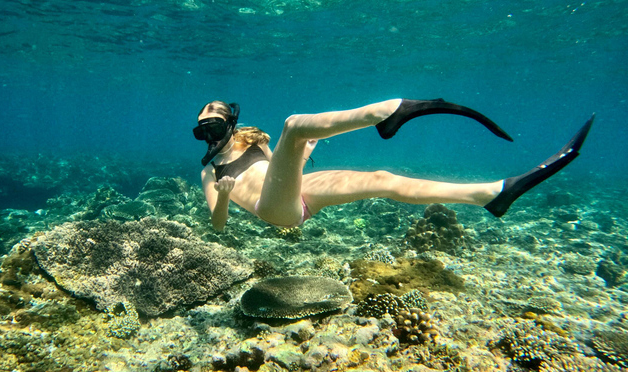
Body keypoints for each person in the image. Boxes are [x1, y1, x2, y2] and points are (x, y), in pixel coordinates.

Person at [194, 99, 594, 231]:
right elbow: (218, 224)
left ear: (229, 122)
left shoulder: (257, 144)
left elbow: (284, 171)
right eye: (201, 130)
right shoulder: (209, 172)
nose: (208, 135)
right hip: (273, 211)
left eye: (212, 125)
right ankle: (390, 112)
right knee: (294, 125)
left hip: (297, 195)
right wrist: (226, 197)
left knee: (382, 179)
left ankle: (492, 194)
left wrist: (300, 153)